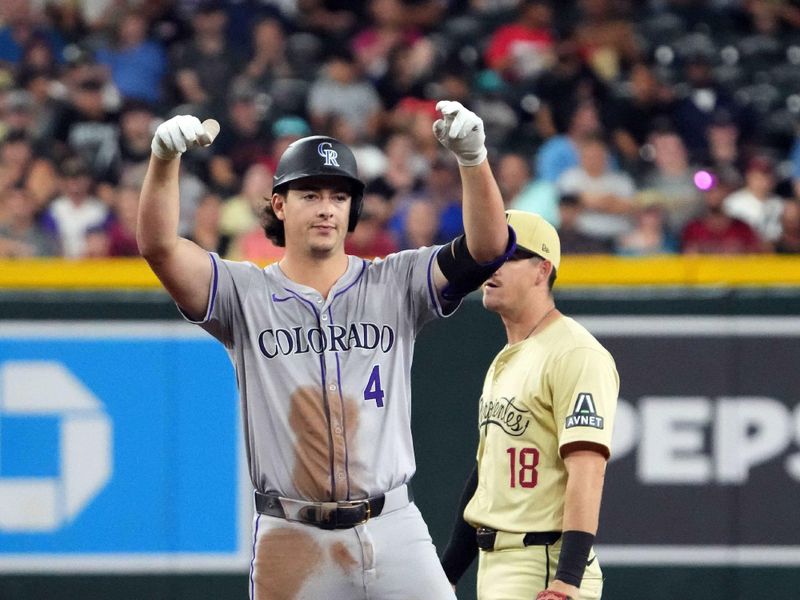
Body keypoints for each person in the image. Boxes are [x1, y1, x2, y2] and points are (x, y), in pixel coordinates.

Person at [137, 100, 513, 600]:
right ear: (279, 205)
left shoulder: (393, 280)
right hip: (292, 534)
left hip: (393, 524)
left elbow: (489, 248)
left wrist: (473, 159)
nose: (325, 208)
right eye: (309, 193)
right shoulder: (242, 294)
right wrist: (163, 160)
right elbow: (159, 247)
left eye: (339, 197)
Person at [441, 210, 619, 600]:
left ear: (543, 270)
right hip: (499, 561)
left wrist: (567, 579)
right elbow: (488, 474)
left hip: (543, 561)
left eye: (507, 256)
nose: (492, 267)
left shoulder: (575, 352)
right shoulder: (510, 355)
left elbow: (588, 470)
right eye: (487, 257)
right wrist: (448, 571)